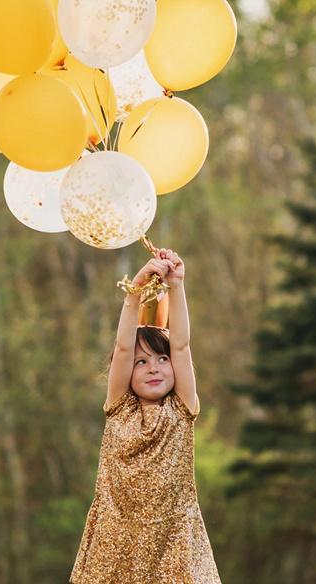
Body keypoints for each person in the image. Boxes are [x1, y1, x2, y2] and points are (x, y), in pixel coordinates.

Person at [70, 248, 221, 583]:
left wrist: (177, 285)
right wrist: (134, 293)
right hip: (115, 544)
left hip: (174, 545)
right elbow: (124, 346)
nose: (153, 368)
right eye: (142, 361)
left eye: (161, 359)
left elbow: (181, 345)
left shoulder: (181, 409)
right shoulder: (120, 407)